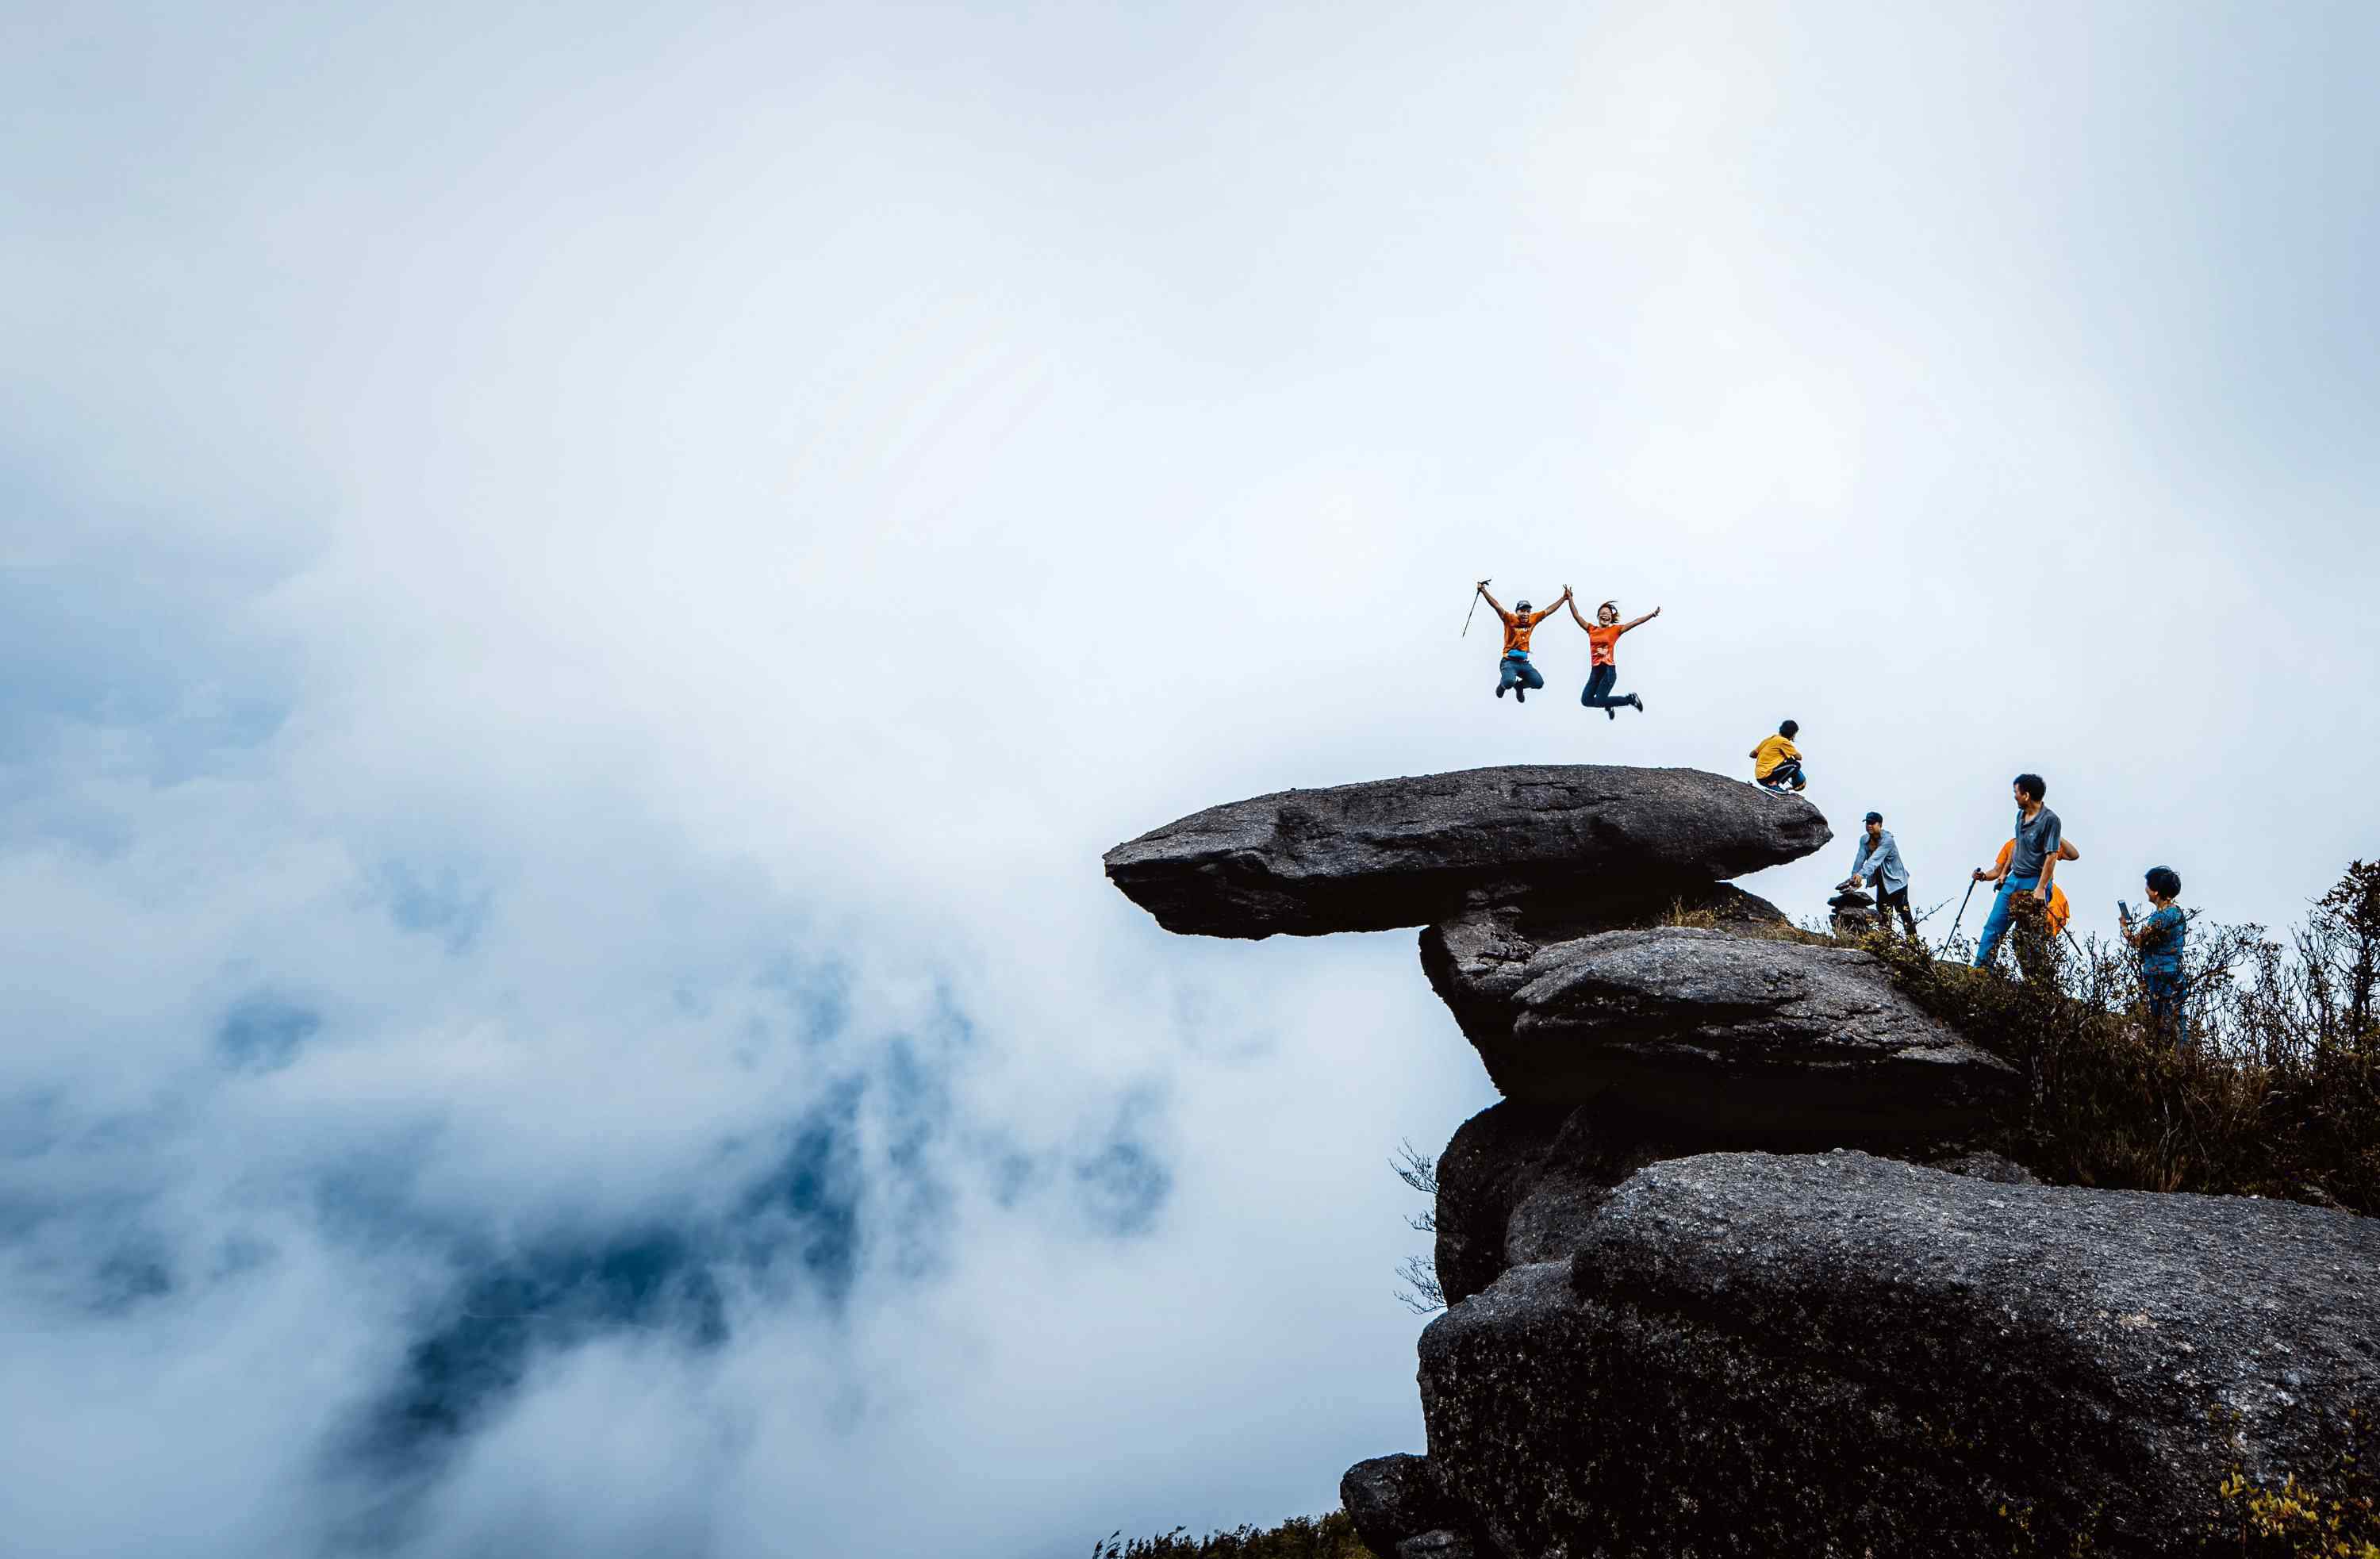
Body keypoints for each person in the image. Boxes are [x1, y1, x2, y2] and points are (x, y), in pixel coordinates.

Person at [1971, 773, 2064, 973]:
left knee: (2028, 937)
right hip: (2014, 879)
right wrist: (2003, 873)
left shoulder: (2051, 821)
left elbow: (2052, 856)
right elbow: (2017, 846)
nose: (2014, 796)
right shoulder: (2020, 816)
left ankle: (2036, 981)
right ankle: (1982, 969)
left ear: (2026, 795)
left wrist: (2040, 888)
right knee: (1993, 926)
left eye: (2016, 792)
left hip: (2034, 882)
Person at [2121, 866, 2189, 1046]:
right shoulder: (2178, 913)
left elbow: (2138, 941)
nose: (2146, 889)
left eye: (2148, 885)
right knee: (2177, 1020)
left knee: (2160, 1022)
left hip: (2159, 974)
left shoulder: (2160, 917)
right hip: (2175, 973)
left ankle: (2163, 1059)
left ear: (2156, 890)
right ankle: (2182, 1058)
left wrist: (2124, 927)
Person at [1476, 583, 1571, 704]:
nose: (1525, 614)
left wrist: (1564, 598)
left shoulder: (1533, 619)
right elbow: (1497, 606)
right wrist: (1483, 591)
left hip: (1523, 663)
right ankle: (1502, 685)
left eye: (1528, 611)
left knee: (1538, 683)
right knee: (1509, 682)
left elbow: (1549, 610)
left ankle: (1520, 687)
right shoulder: (1509, 619)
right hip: (1509, 662)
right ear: (1517, 612)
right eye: (1522, 611)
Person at [1566, 596, 1659, 720]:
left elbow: (1635, 622)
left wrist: (1652, 614)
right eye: (1602, 613)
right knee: (1586, 700)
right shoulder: (1591, 629)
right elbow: (1577, 616)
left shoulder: (1615, 630)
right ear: (1598, 616)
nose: (1605, 615)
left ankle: (1630, 699)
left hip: (1608, 670)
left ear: (1611, 618)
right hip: (1595, 672)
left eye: (1608, 614)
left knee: (1600, 699)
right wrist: (1570, 599)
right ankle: (1609, 704)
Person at [1842, 812, 1917, 939]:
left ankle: (1915, 948)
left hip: (1897, 883)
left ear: (1880, 825)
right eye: (1867, 823)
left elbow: (1874, 861)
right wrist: (1854, 876)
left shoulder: (1888, 841)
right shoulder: (1864, 840)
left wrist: (1861, 875)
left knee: (1905, 916)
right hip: (1883, 883)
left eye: (1872, 823)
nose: (1869, 826)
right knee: (1884, 916)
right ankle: (1886, 947)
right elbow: (1860, 859)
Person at [1990, 834, 2080, 940]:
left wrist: (2057, 836)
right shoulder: (2012, 844)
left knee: (2035, 934)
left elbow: (2073, 855)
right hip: (2017, 895)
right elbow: (1997, 871)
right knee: (2018, 937)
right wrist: (1982, 876)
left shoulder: (2048, 844)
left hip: (2041, 894)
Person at [1750, 721, 1806, 792]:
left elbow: (1752, 755)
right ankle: (1773, 784)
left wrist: (1768, 754)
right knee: (1795, 765)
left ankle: (1776, 783)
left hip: (1759, 776)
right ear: (1792, 734)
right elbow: (1799, 757)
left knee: (1789, 759)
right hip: (1767, 776)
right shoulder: (1783, 741)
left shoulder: (1769, 739)